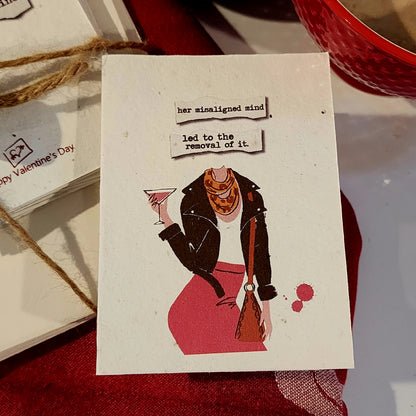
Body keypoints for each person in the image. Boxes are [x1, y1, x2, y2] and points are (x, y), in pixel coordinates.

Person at [149, 166, 277, 355]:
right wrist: (164, 216)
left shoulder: (251, 196)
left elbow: (261, 252)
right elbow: (192, 260)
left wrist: (266, 305)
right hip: (199, 296)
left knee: (249, 352)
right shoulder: (192, 199)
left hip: (230, 292)